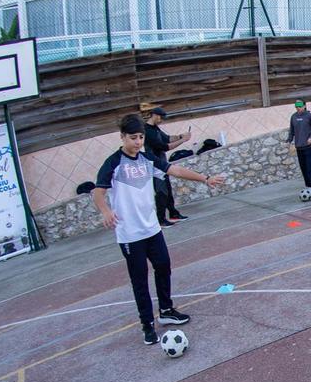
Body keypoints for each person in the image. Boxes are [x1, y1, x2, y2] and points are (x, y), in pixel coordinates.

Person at [93, 115, 224, 345]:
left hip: (152, 229)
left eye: (141, 137)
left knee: (163, 266)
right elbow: (98, 192)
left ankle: (166, 311)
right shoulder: (113, 163)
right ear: (122, 137)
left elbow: (176, 170)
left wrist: (205, 178)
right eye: (133, 138)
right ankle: (147, 325)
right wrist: (105, 211)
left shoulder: (147, 159)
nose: (138, 142)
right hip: (130, 234)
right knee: (140, 280)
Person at [142, 105, 191, 225]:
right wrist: (183, 140)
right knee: (161, 192)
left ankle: (173, 213)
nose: (161, 120)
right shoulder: (147, 131)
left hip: (163, 164)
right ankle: (161, 219)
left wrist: (180, 136)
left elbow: (167, 138)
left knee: (167, 190)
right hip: (155, 166)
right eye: (160, 117)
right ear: (154, 115)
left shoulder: (155, 128)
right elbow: (165, 147)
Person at [287, 100, 311, 199]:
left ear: (304, 106)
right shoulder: (293, 117)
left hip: (308, 146)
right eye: (296, 106)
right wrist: (289, 140)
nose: (298, 108)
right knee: (304, 168)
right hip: (299, 146)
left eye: (300, 106)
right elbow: (292, 130)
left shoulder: (309, 116)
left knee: (310, 168)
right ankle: (309, 187)